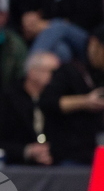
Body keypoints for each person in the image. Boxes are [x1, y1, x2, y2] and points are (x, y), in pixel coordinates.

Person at [39, 24, 104, 165]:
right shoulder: (69, 70)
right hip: (69, 155)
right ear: (94, 44)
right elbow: (47, 102)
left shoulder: (99, 76)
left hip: (96, 154)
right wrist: (85, 102)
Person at [0, 50, 58, 165]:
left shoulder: (56, 99)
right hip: (14, 165)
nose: (57, 77)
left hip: (53, 164)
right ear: (33, 72)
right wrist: (27, 151)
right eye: (51, 72)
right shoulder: (7, 99)